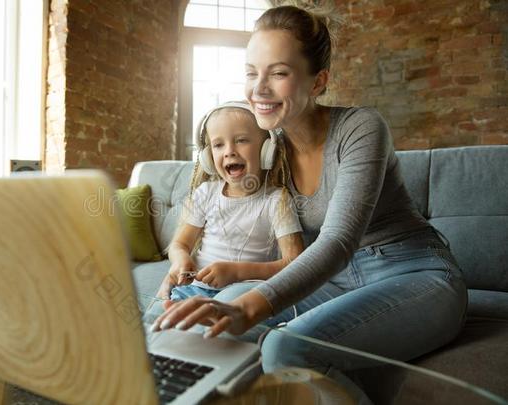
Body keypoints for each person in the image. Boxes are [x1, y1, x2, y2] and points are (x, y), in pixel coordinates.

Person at [151, 3, 467, 400]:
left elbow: (337, 243)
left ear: (317, 82)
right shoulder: (270, 150)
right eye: (252, 72)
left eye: (278, 73)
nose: (258, 89)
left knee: (286, 346)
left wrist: (250, 309)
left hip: (413, 272)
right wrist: (182, 264)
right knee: (220, 307)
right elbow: (233, 210)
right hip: (337, 281)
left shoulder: (361, 128)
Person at [155, 101, 304, 307]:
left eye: (241, 140)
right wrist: (181, 260)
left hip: (245, 292)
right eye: (218, 145)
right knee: (158, 322)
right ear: (208, 157)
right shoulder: (206, 193)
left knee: (214, 318)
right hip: (193, 288)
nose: (229, 151)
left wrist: (236, 272)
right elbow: (180, 244)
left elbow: (294, 263)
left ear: (266, 150)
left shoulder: (277, 200)